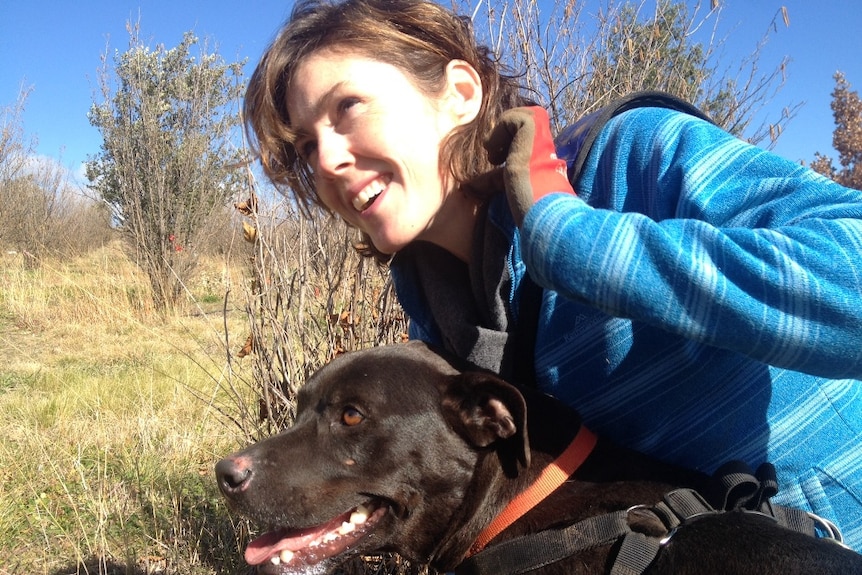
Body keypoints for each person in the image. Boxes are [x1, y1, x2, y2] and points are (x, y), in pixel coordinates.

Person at [243, 0, 862, 551]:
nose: (327, 160)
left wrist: (568, 235)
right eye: (305, 146)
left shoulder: (630, 162)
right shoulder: (437, 319)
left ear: (459, 93)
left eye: (347, 107)